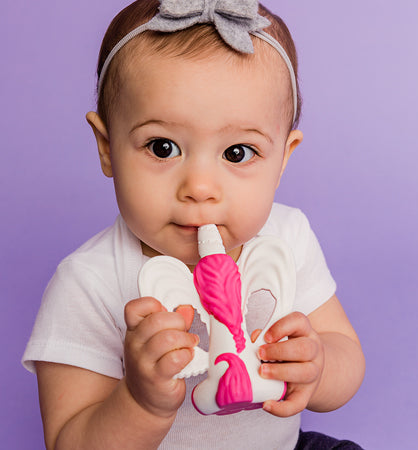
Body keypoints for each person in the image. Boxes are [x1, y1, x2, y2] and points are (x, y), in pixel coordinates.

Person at [22, 1, 365, 448]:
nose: (200, 187)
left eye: (237, 153)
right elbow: (71, 441)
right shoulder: (89, 282)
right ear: (107, 147)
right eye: (162, 147)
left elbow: (346, 357)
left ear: (283, 159)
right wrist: (140, 401)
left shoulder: (288, 236)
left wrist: (316, 368)